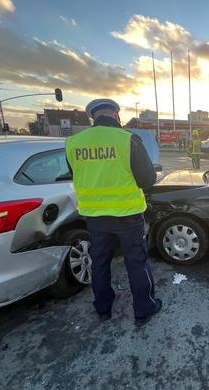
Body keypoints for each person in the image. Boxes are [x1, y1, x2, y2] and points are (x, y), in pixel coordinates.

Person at [65, 99, 162, 327]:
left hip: (95, 216)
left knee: (99, 262)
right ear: (116, 116)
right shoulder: (128, 139)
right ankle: (143, 309)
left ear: (93, 117)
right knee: (136, 262)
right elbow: (147, 180)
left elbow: (75, 174)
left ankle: (103, 308)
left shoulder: (73, 143)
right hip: (127, 215)